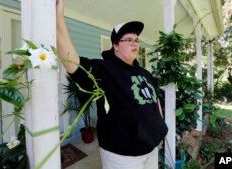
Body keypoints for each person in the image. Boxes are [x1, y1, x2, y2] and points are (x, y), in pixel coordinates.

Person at [56, 0, 168, 168]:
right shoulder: (104, 70)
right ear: (115, 45)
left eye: (137, 40)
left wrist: (159, 126)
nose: (134, 44)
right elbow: (73, 64)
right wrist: (58, 18)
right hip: (122, 154)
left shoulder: (144, 73)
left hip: (150, 148)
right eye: (128, 39)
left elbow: (155, 100)